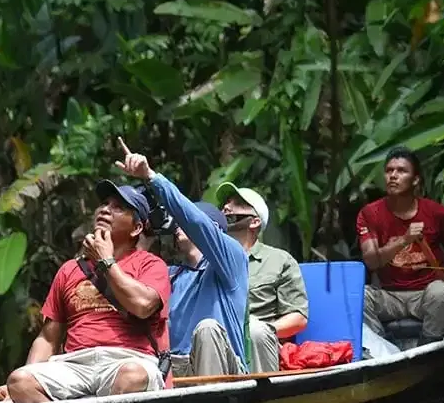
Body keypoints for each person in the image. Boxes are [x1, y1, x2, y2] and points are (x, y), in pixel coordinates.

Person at [0, 181, 171, 403]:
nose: (106, 209)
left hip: (128, 360)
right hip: (74, 364)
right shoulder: (69, 270)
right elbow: (49, 338)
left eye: (119, 207)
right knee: (19, 381)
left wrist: (105, 261)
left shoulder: (151, 265)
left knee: (131, 376)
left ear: (136, 228)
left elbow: (142, 305)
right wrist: (21, 386)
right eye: (105, 204)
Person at [114, 138, 250, 378]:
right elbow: (130, 284)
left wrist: (151, 177)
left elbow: (195, 222)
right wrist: (145, 229)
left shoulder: (231, 261)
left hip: (225, 371)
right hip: (177, 366)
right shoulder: (171, 274)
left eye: (183, 222)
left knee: (207, 329)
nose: (178, 225)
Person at [356, 146, 444, 342]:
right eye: (389, 171)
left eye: (401, 171)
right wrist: (404, 240)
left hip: (426, 294)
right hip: (389, 295)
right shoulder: (369, 214)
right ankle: (381, 349)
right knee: (358, 296)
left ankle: (429, 346)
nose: (393, 176)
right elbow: (372, 262)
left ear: (415, 179)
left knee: (440, 292)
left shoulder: (437, 213)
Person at [215, 182, 309, 373]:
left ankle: (261, 400)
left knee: (255, 331)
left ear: (254, 221)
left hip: (259, 343)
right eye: (226, 203)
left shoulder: (279, 260)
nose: (226, 207)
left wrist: (262, 330)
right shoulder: (210, 260)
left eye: (237, 203)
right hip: (220, 341)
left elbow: (298, 318)